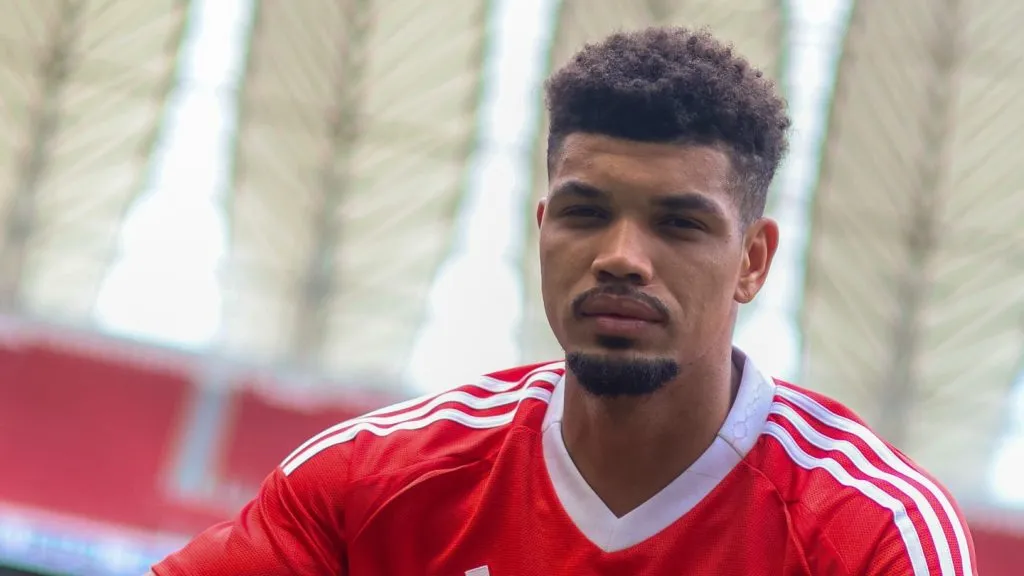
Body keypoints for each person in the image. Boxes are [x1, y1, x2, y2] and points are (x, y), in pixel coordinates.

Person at [149, 26, 975, 575]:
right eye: (585, 213)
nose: (621, 257)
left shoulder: (871, 536)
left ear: (752, 262)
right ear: (543, 229)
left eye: (679, 225)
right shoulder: (371, 486)